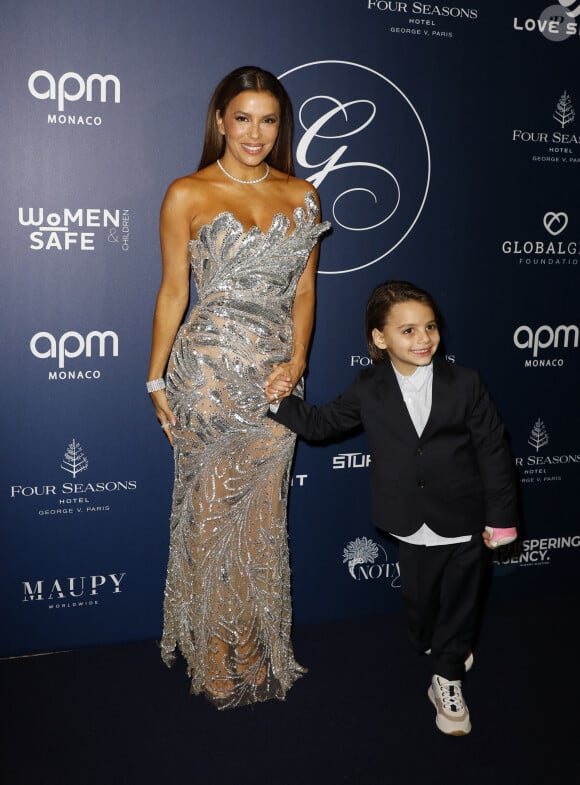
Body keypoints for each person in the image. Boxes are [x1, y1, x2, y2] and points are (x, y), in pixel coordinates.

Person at [146, 65, 330, 708]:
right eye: (243, 117)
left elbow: (305, 291)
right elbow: (174, 291)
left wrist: (299, 360)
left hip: (274, 380)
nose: (256, 132)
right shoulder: (186, 193)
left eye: (269, 119)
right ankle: (214, 647)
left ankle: (251, 638)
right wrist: (155, 378)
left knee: (260, 517)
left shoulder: (303, 194)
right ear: (220, 119)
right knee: (207, 515)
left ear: (281, 125)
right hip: (204, 378)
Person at [265, 280, 518, 735]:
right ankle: (439, 646)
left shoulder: (466, 383)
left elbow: (494, 451)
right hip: (407, 519)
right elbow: (322, 424)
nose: (423, 339)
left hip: (464, 516)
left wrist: (500, 519)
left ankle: (448, 677)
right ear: (380, 339)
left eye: (430, 327)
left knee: (460, 603)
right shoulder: (369, 386)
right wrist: (279, 402)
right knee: (420, 610)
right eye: (408, 331)